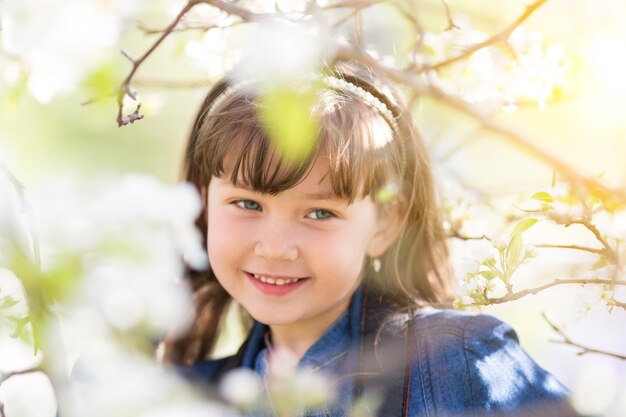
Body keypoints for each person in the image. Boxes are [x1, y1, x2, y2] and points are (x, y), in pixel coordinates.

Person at [163, 60, 577, 417]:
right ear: (202, 204)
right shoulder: (183, 398)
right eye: (247, 204)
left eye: (320, 212)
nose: (274, 247)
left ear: (384, 225)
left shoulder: (457, 360)